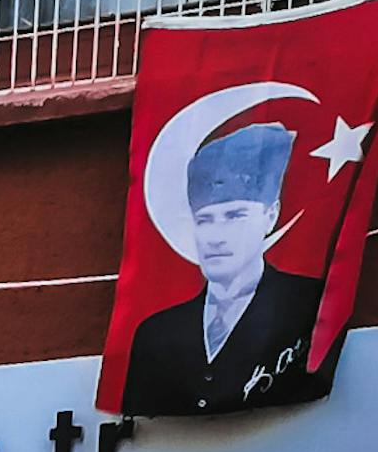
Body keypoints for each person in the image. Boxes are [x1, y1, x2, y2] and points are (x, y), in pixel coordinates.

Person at [119, 115, 326, 415]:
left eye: (235, 216)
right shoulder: (156, 333)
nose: (215, 237)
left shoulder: (309, 305)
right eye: (205, 220)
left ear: (271, 215)